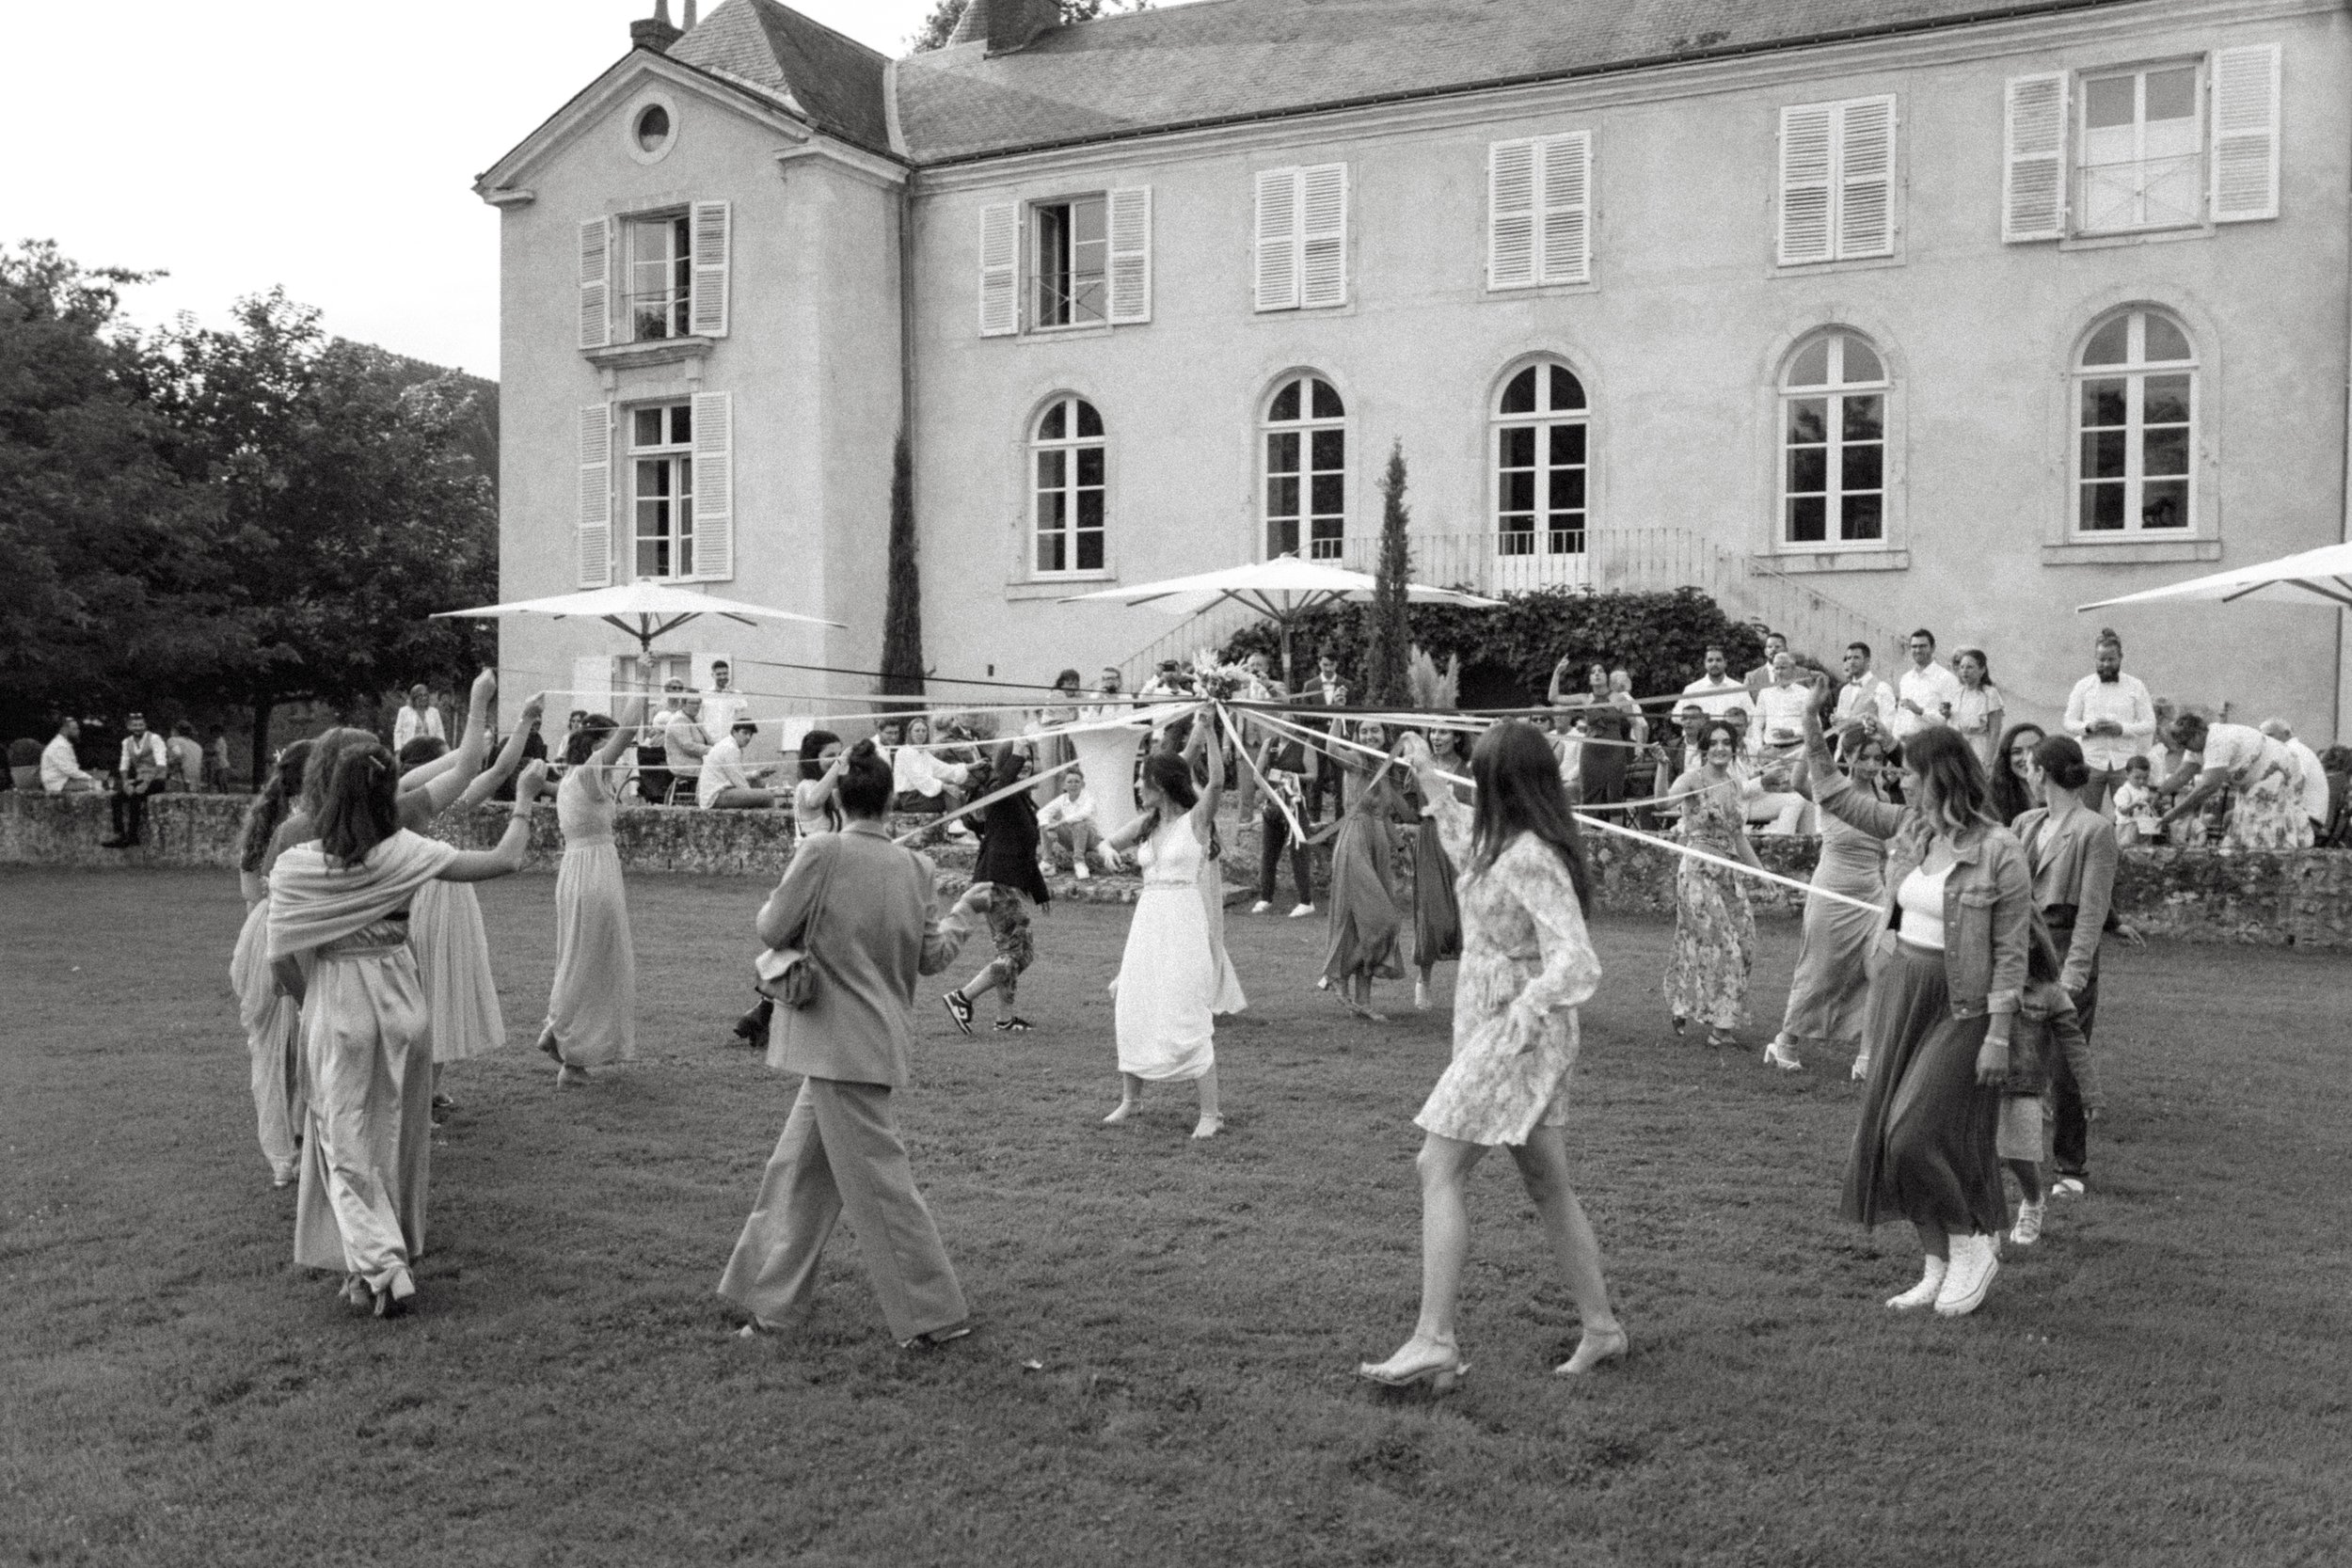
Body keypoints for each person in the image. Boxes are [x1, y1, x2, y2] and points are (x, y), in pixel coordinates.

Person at [1356, 724, 1623, 1389]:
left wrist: (1529, 1009)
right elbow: (1455, 835)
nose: (1472, 778)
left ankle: (1434, 1338)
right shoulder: (1496, 842)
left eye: (1480, 770)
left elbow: (1575, 955)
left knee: (1436, 1162)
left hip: (1518, 1031)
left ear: (1506, 781)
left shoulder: (1531, 853)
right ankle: (1603, 1328)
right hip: (1487, 1020)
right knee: (1545, 1180)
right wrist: (1423, 771)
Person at [716, 740, 992, 1347]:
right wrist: (965, 912)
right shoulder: (916, 867)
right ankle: (771, 1305)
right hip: (863, 1045)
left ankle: (934, 1317)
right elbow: (932, 959)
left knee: (882, 1190)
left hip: (841, 1049)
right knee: (795, 1177)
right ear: (892, 801)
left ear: (837, 798)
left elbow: (770, 927)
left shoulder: (821, 850)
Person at [266, 741, 544, 1318]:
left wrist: (312, 1003)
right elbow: (504, 860)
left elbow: (280, 962)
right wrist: (522, 801)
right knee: (395, 1134)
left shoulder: (296, 866)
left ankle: (382, 1264)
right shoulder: (405, 852)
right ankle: (371, 1271)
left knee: (342, 1142)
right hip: (404, 1003)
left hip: (338, 1002)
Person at [1803, 705, 2031, 1320]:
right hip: (1902, 996)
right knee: (1887, 1133)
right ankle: (1936, 1263)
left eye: (1909, 771)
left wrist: (2000, 1034)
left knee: (1914, 1134)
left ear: (1940, 775)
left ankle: (1972, 1245)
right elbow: (1831, 792)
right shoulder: (1912, 831)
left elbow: (2013, 953)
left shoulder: (2000, 850)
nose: (1899, 779)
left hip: (1965, 1008)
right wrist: (1812, 722)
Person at [404, 695, 547, 1117]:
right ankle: (415, 1099)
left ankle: (430, 1090)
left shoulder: (451, 801)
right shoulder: (411, 805)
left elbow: (501, 769)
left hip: (456, 894)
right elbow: (495, 769)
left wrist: (525, 720)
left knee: (446, 994)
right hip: (426, 895)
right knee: (430, 992)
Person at [1098, 725, 1230, 1138]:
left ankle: (1211, 1113)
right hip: (1148, 922)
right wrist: (1105, 855)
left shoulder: (1196, 820)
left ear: (1161, 784)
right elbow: (1107, 844)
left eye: (1144, 780)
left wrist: (1208, 730)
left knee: (1184, 1008)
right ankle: (1130, 1100)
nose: (1138, 786)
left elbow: (1220, 781)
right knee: (1134, 1004)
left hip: (1183, 921)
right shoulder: (1148, 823)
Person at [2010, 735, 2122, 1204]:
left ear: (2046, 771)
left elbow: (2093, 911)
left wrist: (2073, 976)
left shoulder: (2095, 830)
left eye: (2031, 766)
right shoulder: (2025, 822)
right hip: (2020, 946)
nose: (2026, 773)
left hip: (2065, 946)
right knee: (2014, 1053)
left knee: (2064, 1063)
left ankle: (2069, 1165)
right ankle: (2010, 1153)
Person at [1764, 730, 1892, 1075]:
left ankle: (1865, 1059)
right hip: (1831, 893)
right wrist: (1812, 741)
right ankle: (1785, 1041)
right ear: (1847, 757)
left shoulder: (1884, 797)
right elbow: (1797, 780)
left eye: (1878, 759)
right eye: (1864, 757)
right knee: (1819, 971)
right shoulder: (1834, 791)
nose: (1871, 765)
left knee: (1875, 972)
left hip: (1871, 896)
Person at [538, 702, 643, 1086]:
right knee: (590, 960)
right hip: (592, 871)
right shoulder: (587, 774)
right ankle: (570, 1052)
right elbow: (629, 729)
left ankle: (557, 1030)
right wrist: (643, 681)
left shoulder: (573, 780)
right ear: (598, 744)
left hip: (582, 868)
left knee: (584, 955)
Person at [231, 739, 312, 1186]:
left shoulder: (267, 820)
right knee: (288, 1048)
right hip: (289, 935)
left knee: (284, 1050)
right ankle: (290, 1146)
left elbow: (252, 900)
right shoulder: (302, 822)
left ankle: (291, 1145)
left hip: (268, 932)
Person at [1997, 922, 2102, 1248]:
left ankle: (2032, 1201)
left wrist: (2090, 1090)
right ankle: (1983, 1226)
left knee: (2020, 1156)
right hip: (1982, 1084)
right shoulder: (1985, 981)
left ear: (2032, 944)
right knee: (1980, 1156)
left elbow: (2074, 1042)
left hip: (2025, 1087)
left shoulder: (2050, 994)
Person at [1661, 720, 1763, 1046]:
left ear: (1734, 748)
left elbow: (1737, 836)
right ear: (1704, 748)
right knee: (1723, 946)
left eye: (1726, 742)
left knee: (1745, 944)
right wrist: (1663, 767)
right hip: (1698, 872)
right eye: (1714, 743)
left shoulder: (1734, 784)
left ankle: (1685, 1002)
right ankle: (1721, 1029)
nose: (1720, 748)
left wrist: (1762, 875)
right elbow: (1661, 804)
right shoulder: (1692, 780)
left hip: (1728, 874)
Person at [944, 742, 1054, 1036]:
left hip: (1006, 881)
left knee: (1013, 952)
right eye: (1022, 761)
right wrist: (1016, 753)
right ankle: (962, 997)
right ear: (1007, 763)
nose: (1027, 765)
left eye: (1030, 760)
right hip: (996, 883)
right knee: (1019, 953)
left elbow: (1025, 849)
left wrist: (1039, 892)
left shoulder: (1018, 797)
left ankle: (1005, 1019)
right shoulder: (1000, 791)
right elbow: (999, 784)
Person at [1321, 744, 1412, 1020]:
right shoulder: (1356, 761)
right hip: (1355, 842)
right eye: (1364, 731)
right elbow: (1330, 748)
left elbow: (1383, 818)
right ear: (1358, 736)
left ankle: (1363, 1001)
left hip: (1378, 847)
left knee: (1365, 928)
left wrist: (1401, 849)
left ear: (1384, 735)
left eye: (1375, 730)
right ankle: (1339, 974)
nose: (1370, 735)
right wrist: (1336, 710)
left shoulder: (1383, 770)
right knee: (1385, 921)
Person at [2158, 715, 2302, 851]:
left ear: (2198, 734)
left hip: (2277, 769)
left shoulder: (2217, 741)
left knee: (2263, 823)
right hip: (2252, 779)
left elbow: (2209, 786)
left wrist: (2175, 813)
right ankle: (2245, 860)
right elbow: (2182, 775)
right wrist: (2158, 794)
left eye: (2185, 743)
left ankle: (2268, 859)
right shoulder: (2196, 745)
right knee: (2242, 823)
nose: (2185, 747)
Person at [2061, 629, 2156, 814]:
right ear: (2095, 658)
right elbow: (2068, 721)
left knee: (2130, 815)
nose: (2106, 664)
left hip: (2125, 763)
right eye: (2101, 659)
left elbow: (2150, 724)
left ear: (2121, 657)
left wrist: (2122, 729)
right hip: (2091, 760)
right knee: (2086, 815)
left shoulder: (2136, 686)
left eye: (2111, 659)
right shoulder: (2083, 686)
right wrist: (2088, 727)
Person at [1409, 727, 1468, 1012]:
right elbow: (1409, 809)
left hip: (1459, 840)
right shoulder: (1421, 767)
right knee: (1433, 915)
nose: (1437, 737)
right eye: (1433, 732)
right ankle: (1424, 980)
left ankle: (1468, 987)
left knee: (1464, 914)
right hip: (1431, 839)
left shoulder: (1468, 770)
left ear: (1457, 737)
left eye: (1444, 732)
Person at [1249, 726, 1316, 916]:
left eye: (1289, 722)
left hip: (1295, 805)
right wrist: (1271, 795)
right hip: (1273, 804)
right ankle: (1265, 897)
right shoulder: (1269, 745)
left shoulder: (1305, 745)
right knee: (1269, 852)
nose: (1284, 726)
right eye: (1281, 722)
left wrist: (1292, 778)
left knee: (1298, 850)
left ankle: (1306, 900)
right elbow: (1257, 774)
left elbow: (1313, 775)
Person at [1549, 660, 1629, 808]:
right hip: (1591, 753)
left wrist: (1639, 747)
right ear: (1589, 679)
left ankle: (1615, 831)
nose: (1597, 674)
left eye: (1600, 671)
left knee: (1615, 798)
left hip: (1615, 752)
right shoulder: (1584, 698)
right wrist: (1557, 672)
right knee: (1588, 797)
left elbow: (1637, 723)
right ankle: (1586, 832)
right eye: (1593, 672)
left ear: (1607, 676)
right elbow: (1553, 698)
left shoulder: (1619, 698)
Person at [103, 712, 169, 847]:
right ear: (129, 727)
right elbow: (124, 765)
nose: (138, 728)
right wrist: (126, 782)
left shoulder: (155, 739)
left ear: (145, 726)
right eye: (135, 725)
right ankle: (119, 834)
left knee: (136, 796)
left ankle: (132, 836)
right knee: (116, 798)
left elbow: (161, 764)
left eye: (141, 725)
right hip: (140, 778)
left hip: (156, 779)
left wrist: (145, 783)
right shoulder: (127, 742)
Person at [2261, 719, 2329, 845]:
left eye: (2269, 735)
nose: (2264, 739)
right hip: (2303, 814)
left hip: (2308, 819)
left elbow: (2295, 785)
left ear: (2287, 733)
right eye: (2262, 735)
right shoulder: (2293, 749)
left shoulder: (2294, 751)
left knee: (2240, 818)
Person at [1891, 629, 1961, 745]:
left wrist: (1920, 711)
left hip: (1931, 746)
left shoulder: (1946, 679)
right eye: (1914, 646)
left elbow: (1949, 719)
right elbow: (1900, 716)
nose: (1917, 650)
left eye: (1922, 646)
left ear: (1933, 648)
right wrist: (1894, 747)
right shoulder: (1906, 679)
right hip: (1904, 745)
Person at [700, 720, 783, 810]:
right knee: (768, 796)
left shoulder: (728, 744)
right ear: (734, 732)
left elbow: (736, 775)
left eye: (750, 735)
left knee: (757, 783)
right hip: (716, 796)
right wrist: (754, 796)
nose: (748, 737)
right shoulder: (730, 748)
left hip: (717, 793)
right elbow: (739, 781)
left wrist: (757, 774)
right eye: (745, 733)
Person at [1950, 649, 2006, 777]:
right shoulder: (1958, 693)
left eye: (1970, 667)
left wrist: (1987, 762)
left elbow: (1995, 731)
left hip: (1981, 748)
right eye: (1962, 667)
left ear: (1982, 670)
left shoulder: (1990, 694)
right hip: (1960, 749)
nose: (1964, 671)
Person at [1037, 769, 1100, 878]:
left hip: (1090, 839)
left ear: (1083, 784)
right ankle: (1048, 862)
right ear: (1064, 786)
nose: (1073, 785)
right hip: (1071, 840)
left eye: (1077, 782)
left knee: (1079, 823)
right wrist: (1049, 828)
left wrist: (1059, 823)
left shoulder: (1089, 798)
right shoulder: (1062, 799)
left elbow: (1082, 814)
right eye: (1069, 782)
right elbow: (1042, 812)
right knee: (1045, 823)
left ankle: (1079, 862)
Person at [1834, 641, 1898, 741]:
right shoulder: (1844, 690)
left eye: (1856, 658)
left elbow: (1889, 726)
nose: (1851, 662)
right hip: (1844, 749)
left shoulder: (1882, 688)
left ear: (1867, 661)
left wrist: (1859, 722)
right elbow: (1839, 727)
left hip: (1869, 750)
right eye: (1849, 658)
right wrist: (1836, 722)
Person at [1987, 721, 2047, 827]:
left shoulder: (2062, 791)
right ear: (2006, 758)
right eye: (2017, 752)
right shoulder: (1991, 798)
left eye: (2034, 749)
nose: (2026, 758)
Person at [793, 729, 848, 837]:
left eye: (840, 754)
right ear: (813, 759)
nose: (836, 759)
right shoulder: (806, 785)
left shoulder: (833, 789)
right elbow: (814, 801)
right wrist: (840, 761)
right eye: (830, 755)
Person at [1679, 645, 1753, 722]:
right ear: (1705, 663)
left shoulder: (1740, 689)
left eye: (1718, 660)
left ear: (1725, 663)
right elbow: (1677, 717)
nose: (1714, 664)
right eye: (1710, 660)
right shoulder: (1691, 690)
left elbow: (1751, 716)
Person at [2111, 756, 2163, 847]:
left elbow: (2148, 808)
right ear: (2127, 774)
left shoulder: (2145, 790)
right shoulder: (2124, 790)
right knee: (2127, 851)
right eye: (2137, 778)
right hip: (2127, 828)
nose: (2141, 781)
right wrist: (2134, 804)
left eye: (2145, 778)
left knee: (2143, 851)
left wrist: (2154, 811)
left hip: (2143, 828)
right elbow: (2122, 810)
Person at [40, 718, 95, 794]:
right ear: (64, 730)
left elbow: (71, 769)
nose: (78, 731)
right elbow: (69, 770)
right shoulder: (59, 746)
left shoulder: (63, 744)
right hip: (58, 784)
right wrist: (90, 778)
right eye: (74, 729)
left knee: (93, 784)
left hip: (64, 781)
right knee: (94, 785)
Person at [698, 660, 748, 743]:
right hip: (709, 741)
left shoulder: (736, 693)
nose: (722, 677)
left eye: (725, 673)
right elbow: (699, 718)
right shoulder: (704, 694)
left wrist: (732, 694)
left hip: (729, 741)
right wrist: (706, 738)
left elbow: (743, 708)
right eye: (719, 674)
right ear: (712, 675)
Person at [391, 685, 446, 754]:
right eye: (420, 695)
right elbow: (398, 732)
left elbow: (440, 732)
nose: (423, 698)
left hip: (430, 751)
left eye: (425, 695)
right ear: (414, 697)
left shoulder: (434, 712)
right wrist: (398, 751)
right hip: (410, 751)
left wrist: (443, 749)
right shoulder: (404, 711)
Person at [1742, 630, 1788, 698]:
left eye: (1777, 647)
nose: (1773, 649)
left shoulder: (1802, 674)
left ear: (1786, 650)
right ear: (1765, 651)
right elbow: (1744, 703)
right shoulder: (1752, 677)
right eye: (1770, 647)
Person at [166, 721, 207, 793]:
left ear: (175, 731)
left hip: (179, 781)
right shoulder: (197, 746)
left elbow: (177, 755)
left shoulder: (173, 740)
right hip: (195, 784)